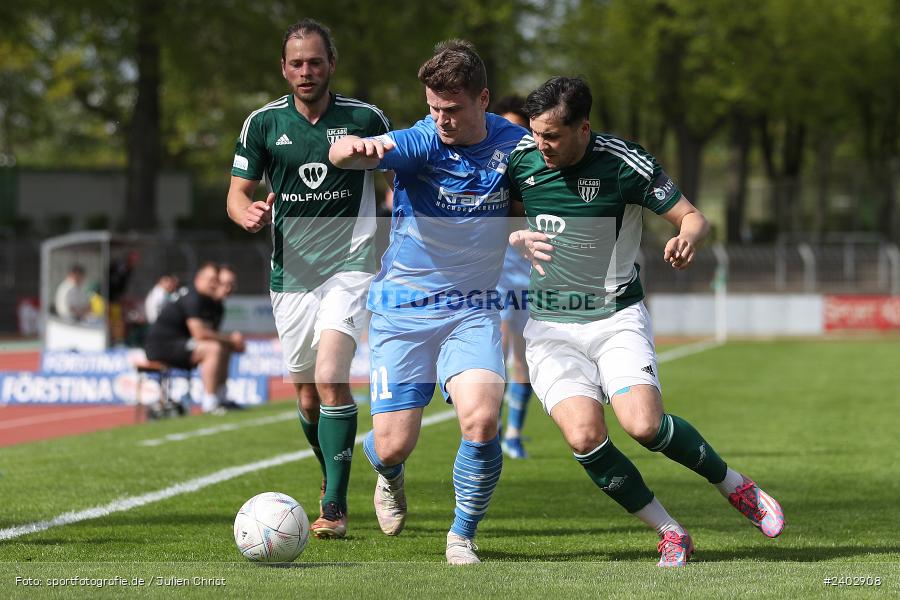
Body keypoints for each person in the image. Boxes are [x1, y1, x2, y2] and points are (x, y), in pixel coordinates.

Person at [508, 77, 784, 567]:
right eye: (535, 134)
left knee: (644, 425)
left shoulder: (623, 163)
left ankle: (735, 486)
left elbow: (693, 216)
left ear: (583, 128)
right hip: (551, 327)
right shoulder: (521, 160)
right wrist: (515, 236)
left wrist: (687, 238)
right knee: (583, 437)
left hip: (615, 317)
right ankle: (670, 532)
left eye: (551, 135)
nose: (541, 145)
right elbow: (497, 220)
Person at [330, 40, 527, 565]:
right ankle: (388, 471)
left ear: (483, 99)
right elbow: (342, 155)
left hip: (472, 308)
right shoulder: (420, 142)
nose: (441, 119)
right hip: (403, 308)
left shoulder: (517, 146)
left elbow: (539, 195)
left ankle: (461, 535)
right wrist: (354, 149)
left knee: (481, 420)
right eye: (434, 107)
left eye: (453, 108)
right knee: (394, 444)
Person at [226, 18, 391, 539]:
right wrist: (247, 213)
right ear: (283, 68)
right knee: (306, 398)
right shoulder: (262, 124)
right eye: (296, 63)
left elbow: (398, 180)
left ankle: (335, 507)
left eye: (315, 62)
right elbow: (237, 193)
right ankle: (330, 471)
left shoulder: (365, 118)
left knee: (330, 378)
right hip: (291, 274)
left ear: (331, 65)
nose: (306, 71)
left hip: (351, 267)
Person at [144, 262, 245, 414]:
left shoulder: (213, 304)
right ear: (199, 279)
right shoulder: (193, 297)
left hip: (181, 344)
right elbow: (200, 334)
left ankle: (222, 398)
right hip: (162, 346)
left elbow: (212, 335)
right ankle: (210, 403)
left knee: (222, 347)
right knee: (214, 349)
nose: (214, 284)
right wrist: (231, 340)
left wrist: (231, 343)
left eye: (216, 281)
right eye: (211, 280)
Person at [491, 95, 533, 459]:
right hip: (498, 273)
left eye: (520, 130)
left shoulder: (537, 172)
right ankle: (494, 428)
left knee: (524, 357)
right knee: (500, 352)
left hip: (530, 273)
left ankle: (514, 433)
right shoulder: (489, 171)